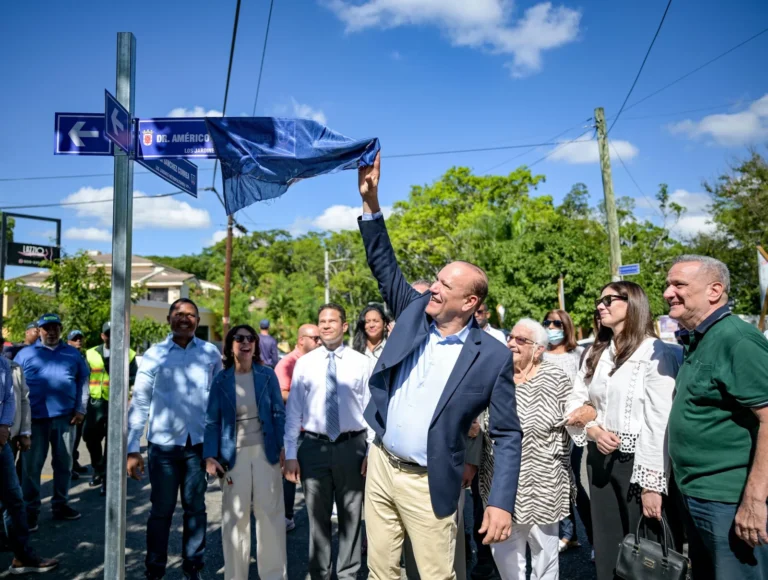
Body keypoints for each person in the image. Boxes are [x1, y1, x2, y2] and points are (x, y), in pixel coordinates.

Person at [357, 152, 522, 580]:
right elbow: (383, 263)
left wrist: (501, 501)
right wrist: (371, 203)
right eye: (436, 278)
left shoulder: (493, 356)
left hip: (429, 484)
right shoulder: (413, 313)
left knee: (435, 576)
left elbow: (506, 434)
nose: (434, 287)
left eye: (445, 285)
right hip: (381, 467)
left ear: (470, 302)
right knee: (380, 573)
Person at [565, 282, 681, 580]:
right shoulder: (597, 351)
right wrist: (592, 429)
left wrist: (652, 484)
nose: (600, 306)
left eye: (609, 300)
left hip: (640, 462)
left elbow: (659, 422)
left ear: (633, 304)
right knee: (608, 546)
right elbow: (575, 400)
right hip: (600, 459)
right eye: (599, 300)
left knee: (646, 552)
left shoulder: (656, 352)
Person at [665, 255, 768, 579]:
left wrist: (754, 500)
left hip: (729, 499)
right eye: (668, 284)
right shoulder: (699, 339)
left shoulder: (736, 339)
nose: (668, 292)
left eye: (679, 284)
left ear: (714, 290)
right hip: (697, 495)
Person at [126, 298, 223, 580]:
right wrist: (133, 448)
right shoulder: (154, 355)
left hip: (199, 448)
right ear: (169, 318)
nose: (184, 318)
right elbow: (140, 403)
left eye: (190, 315)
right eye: (178, 314)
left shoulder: (210, 354)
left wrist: (216, 450)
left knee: (196, 509)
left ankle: (193, 567)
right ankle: (154, 571)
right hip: (164, 448)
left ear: (197, 320)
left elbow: (217, 404)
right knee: (161, 512)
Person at [477, 319, 573, 580]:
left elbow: (576, 418)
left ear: (538, 349)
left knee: (544, 556)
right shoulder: (496, 375)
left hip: (543, 483)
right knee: (504, 553)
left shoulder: (556, 378)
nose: (511, 343)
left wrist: (586, 413)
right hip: (499, 484)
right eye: (511, 338)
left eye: (521, 340)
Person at [283, 303, 373, 580]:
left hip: (352, 447)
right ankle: (318, 573)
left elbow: (371, 411)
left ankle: (347, 573)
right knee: (317, 518)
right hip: (313, 447)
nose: (325, 325)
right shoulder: (305, 364)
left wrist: (371, 450)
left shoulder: (363, 363)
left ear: (344, 326)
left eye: (332, 321)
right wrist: (290, 454)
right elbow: (293, 411)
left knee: (351, 516)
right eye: (321, 321)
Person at [204, 324, 287, 580]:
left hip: (266, 453)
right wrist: (210, 455)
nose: (245, 342)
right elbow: (212, 421)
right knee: (235, 519)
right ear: (230, 346)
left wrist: (283, 446)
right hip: (232, 456)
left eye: (250, 338)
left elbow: (278, 412)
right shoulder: (221, 380)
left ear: (255, 344)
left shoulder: (267, 375)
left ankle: (273, 575)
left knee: (270, 516)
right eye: (239, 338)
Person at [14, 313, 89, 531]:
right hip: (33, 421)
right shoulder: (25, 354)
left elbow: (82, 381)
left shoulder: (72, 354)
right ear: (39, 330)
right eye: (47, 328)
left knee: (64, 464)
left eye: (55, 327)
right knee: (31, 468)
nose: (52, 331)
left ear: (61, 329)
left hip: (65, 419)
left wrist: (81, 408)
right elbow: (15, 387)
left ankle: (61, 504)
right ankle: (31, 511)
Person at [0, 355, 59, 574]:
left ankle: (22, 556)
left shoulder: (5, 365)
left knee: (15, 499)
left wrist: (5, 426)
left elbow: (9, 399)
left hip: (2, 443)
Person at [541, 310, 592, 554]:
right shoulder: (539, 355)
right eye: (547, 323)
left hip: (573, 430)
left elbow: (587, 392)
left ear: (567, 326)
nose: (551, 327)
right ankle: (568, 534)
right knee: (555, 482)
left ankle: (596, 540)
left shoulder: (579, 355)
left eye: (557, 323)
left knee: (574, 482)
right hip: (546, 430)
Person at [274, 323, 322, 531]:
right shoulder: (288, 363)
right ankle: (285, 516)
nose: (319, 342)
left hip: (315, 429)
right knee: (289, 476)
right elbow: (280, 393)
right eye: (315, 338)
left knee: (316, 476)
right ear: (301, 340)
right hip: (295, 430)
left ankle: (320, 514)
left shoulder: (316, 361)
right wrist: (307, 397)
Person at [84, 321, 137, 495]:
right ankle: (98, 469)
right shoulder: (91, 353)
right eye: (108, 333)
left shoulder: (128, 354)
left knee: (112, 442)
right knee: (90, 437)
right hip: (95, 402)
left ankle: (107, 478)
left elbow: (133, 376)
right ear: (103, 336)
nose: (111, 337)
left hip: (116, 403)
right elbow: (84, 377)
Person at [65, 329, 88, 479]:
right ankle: (68, 467)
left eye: (80, 338)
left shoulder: (83, 356)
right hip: (68, 406)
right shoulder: (65, 356)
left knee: (76, 437)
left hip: (80, 404)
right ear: (68, 341)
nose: (78, 341)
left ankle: (73, 461)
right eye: (75, 339)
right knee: (66, 442)